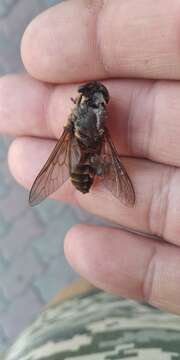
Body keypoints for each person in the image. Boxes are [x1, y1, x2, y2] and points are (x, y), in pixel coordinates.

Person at [1, 0, 180, 358]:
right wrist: (100, 156)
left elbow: (74, 141)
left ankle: (86, 294)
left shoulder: (73, 122)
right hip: (89, 164)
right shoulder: (100, 127)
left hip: (82, 165)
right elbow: (98, 138)